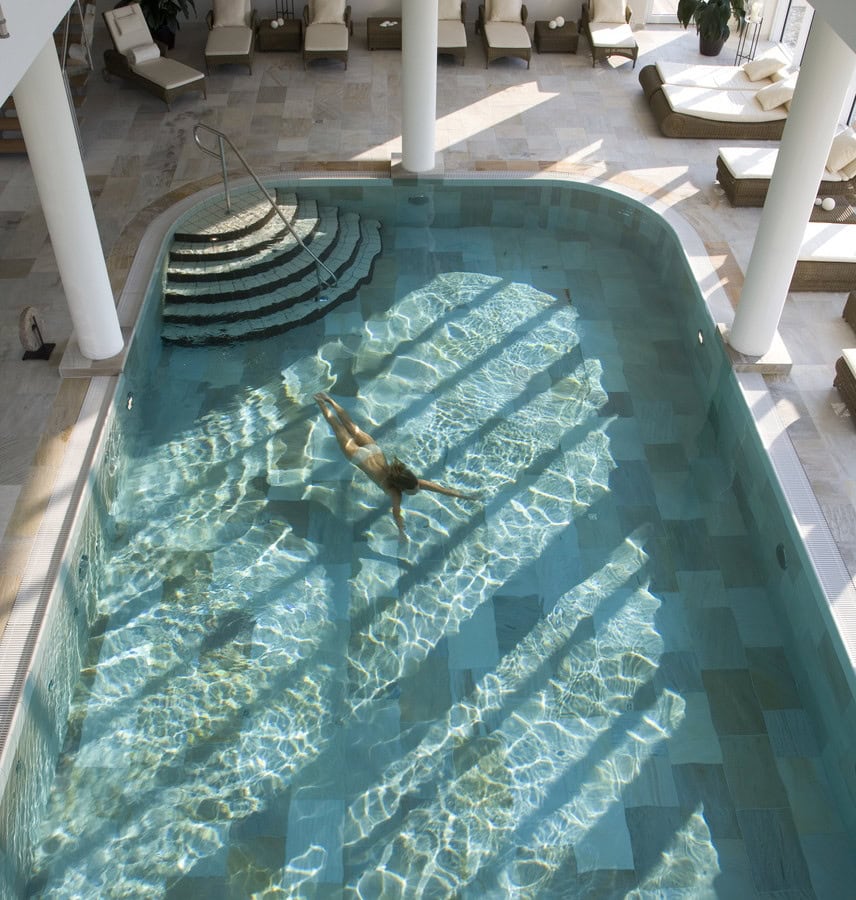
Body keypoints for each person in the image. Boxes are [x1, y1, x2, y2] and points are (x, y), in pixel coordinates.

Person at [313, 393, 476, 538]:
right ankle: (321, 403)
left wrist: (464, 496)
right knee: (337, 427)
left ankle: (330, 400)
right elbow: (396, 513)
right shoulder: (395, 492)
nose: (418, 489)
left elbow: (440, 489)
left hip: (373, 449)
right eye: (415, 490)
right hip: (358, 456)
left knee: (351, 426)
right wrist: (401, 531)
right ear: (403, 488)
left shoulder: (409, 479)